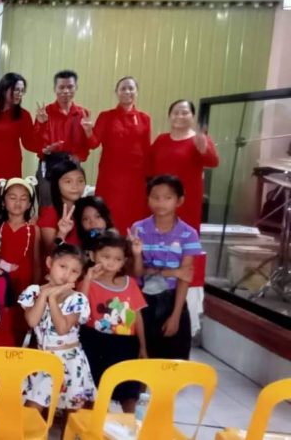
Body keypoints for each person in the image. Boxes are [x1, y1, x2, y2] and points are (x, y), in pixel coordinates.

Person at [18, 243, 96, 413]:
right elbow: (32, 321)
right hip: (43, 359)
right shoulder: (34, 292)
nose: (67, 274)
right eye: (62, 266)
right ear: (49, 263)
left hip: (69, 361)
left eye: (74, 271)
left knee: (72, 414)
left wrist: (52, 300)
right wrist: (45, 294)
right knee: (31, 409)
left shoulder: (78, 299)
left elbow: (62, 328)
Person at [130, 175, 201, 360]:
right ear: (148, 199)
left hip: (172, 299)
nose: (160, 202)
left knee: (172, 360)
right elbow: (136, 272)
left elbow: (184, 277)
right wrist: (171, 271)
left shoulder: (189, 234)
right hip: (142, 299)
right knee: (142, 357)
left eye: (167, 197)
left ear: (180, 201)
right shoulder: (138, 229)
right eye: (155, 197)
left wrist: (176, 316)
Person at [79, 232, 147, 413]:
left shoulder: (130, 283)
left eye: (117, 259)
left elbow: (137, 316)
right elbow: (80, 307)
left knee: (128, 390)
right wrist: (87, 280)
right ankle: (89, 428)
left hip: (126, 344)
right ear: (93, 256)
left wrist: (143, 346)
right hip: (94, 341)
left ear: (124, 261)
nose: (111, 262)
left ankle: (129, 427)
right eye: (105, 256)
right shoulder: (88, 282)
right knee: (93, 389)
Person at [89, 76, 152, 235]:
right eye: (123, 88)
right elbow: (93, 143)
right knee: (109, 215)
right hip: (111, 178)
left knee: (134, 218)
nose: (127, 92)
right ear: (116, 92)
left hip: (135, 180)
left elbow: (146, 150)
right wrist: (88, 131)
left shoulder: (144, 119)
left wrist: (149, 179)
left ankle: (132, 254)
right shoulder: (106, 116)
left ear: (136, 92)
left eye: (131, 88)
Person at [149, 100, 220, 231]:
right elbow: (149, 165)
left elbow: (213, 162)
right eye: (175, 113)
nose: (180, 116)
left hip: (186, 200)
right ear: (169, 116)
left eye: (185, 113)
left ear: (192, 116)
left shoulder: (200, 139)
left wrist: (204, 149)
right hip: (160, 198)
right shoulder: (161, 139)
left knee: (185, 237)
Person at [33, 70, 94, 207]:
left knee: (73, 207)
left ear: (76, 88)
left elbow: (91, 144)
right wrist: (46, 149)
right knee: (48, 205)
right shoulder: (45, 112)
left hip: (72, 164)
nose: (66, 91)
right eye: (61, 87)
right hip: (49, 164)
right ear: (55, 89)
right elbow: (35, 142)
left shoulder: (82, 113)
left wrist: (81, 154)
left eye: (70, 87)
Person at [0, 177, 41, 344]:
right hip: (2, 284)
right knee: (2, 323)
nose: (18, 203)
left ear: (29, 204)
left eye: (23, 199)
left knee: (20, 326)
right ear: (4, 201)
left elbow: (36, 262)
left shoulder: (34, 230)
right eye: (12, 197)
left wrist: (35, 290)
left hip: (25, 284)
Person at [38, 158, 85, 252]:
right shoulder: (50, 213)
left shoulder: (85, 209)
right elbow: (51, 252)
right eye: (68, 181)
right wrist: (61, 234)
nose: (75, 186)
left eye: (80, 181)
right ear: (56, 184)